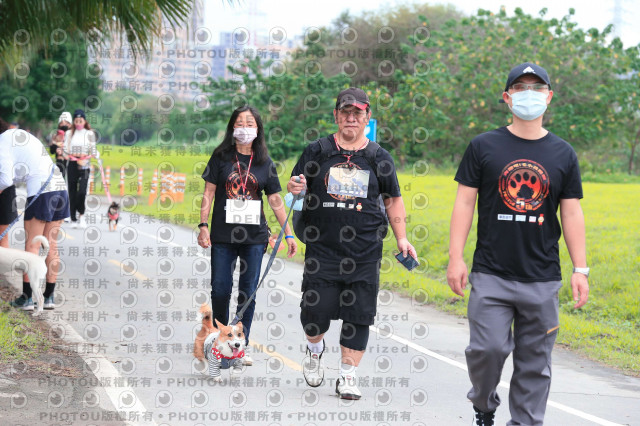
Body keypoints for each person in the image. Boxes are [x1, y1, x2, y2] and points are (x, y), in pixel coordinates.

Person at [446, 62, 589, 426]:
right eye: (521, 87)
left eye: (537, 87)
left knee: (535, 364)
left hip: (542, 277)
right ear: (507, 98)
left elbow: (571, 213)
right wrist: (455, 257)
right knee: (487, 349)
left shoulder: (563, 153)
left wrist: (581, 269)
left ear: (549, 97)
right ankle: (483, 403)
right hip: (491, 273)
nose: (529, 94)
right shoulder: (483, 146)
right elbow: (464, 203)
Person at [287, 88, 417, 400]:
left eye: (358, 113)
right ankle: (314, 350)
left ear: (367, 117)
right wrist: (294, 189)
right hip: (322, 249)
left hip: (365, 252)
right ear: (336, 115)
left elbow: (393, 200)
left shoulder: (379, 158)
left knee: (358, 315)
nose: (351, 118)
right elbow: (296, 192)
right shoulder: (317, 151)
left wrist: (401, 237)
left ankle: (347, 375)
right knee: (314, 313)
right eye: (345, 112)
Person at [198, 105, 297, 366]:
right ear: (232, 127)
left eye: (250, 123)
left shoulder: (265, 162)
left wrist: (288, 234)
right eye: (240, 123)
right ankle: (220, 342)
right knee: (220, 289)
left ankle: (240, 347)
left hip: (254, 238)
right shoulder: (220, 157)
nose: (245, 128)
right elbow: (208, 192)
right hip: (223, 235)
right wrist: (203, 225)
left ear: (258, 129)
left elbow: (275, 200)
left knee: (248, 292)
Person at [0, 120, 70, 311]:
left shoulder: (2, 141)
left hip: (41, 191)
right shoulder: (21, 135)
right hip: (59, 187)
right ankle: (49, 297)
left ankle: (27, 298)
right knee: (51, 244)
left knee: (32, 245)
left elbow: (5, 179)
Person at [63, 109, 97, 228]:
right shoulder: (69, 133)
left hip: (85, 163)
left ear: (85, 121)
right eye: (76, 121)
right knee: (72, 191)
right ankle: (73, 218)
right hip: (72, 163)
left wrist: (94, 155)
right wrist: (66, 155)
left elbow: (93, 149)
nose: (78, 123)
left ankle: (81, 215)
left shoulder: (89, 134)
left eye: (80, 121)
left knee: (82, 191)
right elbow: (65, 150)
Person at [49, 111, 72, 176]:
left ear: (70, 124)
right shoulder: (55, 136)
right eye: (61, 123)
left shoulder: (73, 135)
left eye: (67, 123)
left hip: (70, 163)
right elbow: (51, 151)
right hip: (60, 163)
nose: (64, 125)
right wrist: (56, 147)